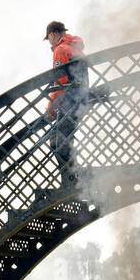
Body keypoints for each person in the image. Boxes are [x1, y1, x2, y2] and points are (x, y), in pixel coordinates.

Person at [45, 22, 88, 187]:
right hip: (79, 102)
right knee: (64, 141)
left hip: (68, 103)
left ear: (53, 35)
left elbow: (59, 83)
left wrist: (50, 108)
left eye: (49, 38)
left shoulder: (60, 50)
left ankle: (71, 180)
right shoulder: (76, 48)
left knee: (57, 142)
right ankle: (72, 176)